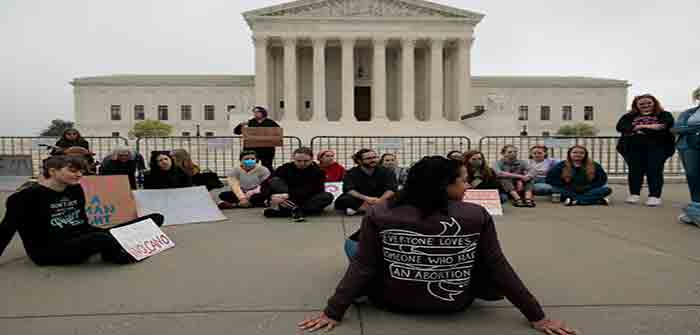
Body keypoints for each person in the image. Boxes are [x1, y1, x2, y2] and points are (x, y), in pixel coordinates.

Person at [298, 156, 577, 335]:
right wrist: (537, 317)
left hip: (390, 300)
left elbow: (363, 267)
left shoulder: (380, 212)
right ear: (445, 185)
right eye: (464, 181)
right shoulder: (475, 215)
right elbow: (497, 266)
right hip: (455, 302)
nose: (468, 187)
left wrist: (332, 312)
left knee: (353, 247)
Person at [0, 155, 165, 265]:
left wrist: (108, 232)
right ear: (53, 171)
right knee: (103, 239)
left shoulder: (75, 189)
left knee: (155, 219)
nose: (79, 175)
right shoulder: (24, 197)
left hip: (81, 235)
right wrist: (103, 236)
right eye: (73, 170)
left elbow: (82, 221)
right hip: (48, 250)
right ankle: (115, 253)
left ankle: (112, 245)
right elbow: (6, 229)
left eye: (81, 171)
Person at [616, 94, 676, 207]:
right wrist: (653, 127)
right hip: (633, 148)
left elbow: (666, 126)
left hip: (658, 148)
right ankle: (634, 194)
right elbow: (621, 127)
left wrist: (640, 128)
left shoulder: (664, 114)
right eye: (641, 104)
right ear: (636, 105)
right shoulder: (629, 116)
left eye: (648, 103)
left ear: (654, 103)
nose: (645, 105)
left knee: (654, 170)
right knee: (635, 170)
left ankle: (654, 196)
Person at [263, 147, 334, 222]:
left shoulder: (319, 172)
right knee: (275, 180)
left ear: (312, 159)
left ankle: (290, 211)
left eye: (306, 161)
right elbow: (266, 183)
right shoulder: (284, 168)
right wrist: (271, 196)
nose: (302, 163)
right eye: (299, 161)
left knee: (327, 196)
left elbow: (314, 190)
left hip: (306, 199)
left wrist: (288, 195)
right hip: (286, 197)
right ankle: (297, 210)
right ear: (293, 159)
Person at [334, 149, 398, 216]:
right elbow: (349, 189)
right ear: (359, 161)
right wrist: (366, 198)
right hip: (361, 198)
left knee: (399, 196)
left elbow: (391, 189)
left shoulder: (386, 171)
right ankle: (371, 209)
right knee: (343, 200)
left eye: (374, 157)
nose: (373, 160)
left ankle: (361, 209)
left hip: (380, 197)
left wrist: (380, 200)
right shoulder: (351, 172)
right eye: (368, 158)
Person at [545, 145, 612, 206]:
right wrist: (567, 186)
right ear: (569, 154)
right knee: (554, 189)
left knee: (607, 190)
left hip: (588, 189)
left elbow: (602, 179)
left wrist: (589, 187)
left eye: (581, 153)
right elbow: (550, 179)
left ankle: (576, 201)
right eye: (575, 152)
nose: (578, 154)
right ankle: (594, 200)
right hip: (568, 190)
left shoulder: (594, 165)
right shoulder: (561, 165)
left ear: (585, 155)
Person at [671, 87, 700, 226]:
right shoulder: (688, 113)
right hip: (689, 147)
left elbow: (684, 128)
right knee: (693, 176)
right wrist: (695, 129)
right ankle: (696, 207)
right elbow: (676, 128)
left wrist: (691, 129)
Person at [233, 106, 281, 172]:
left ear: (263, 112)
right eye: (254, 112)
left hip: (267, 150)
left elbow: (277, 133)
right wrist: (241, 125)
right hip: (252, 150)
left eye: (257, 112)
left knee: (267, 167)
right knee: (250, 167)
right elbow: (236, 132)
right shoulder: (250, 122)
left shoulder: (270, 122)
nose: (255, 114)